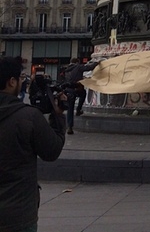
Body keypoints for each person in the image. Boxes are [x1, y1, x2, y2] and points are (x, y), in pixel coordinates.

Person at [0, 56, 66, 232]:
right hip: (18, 215)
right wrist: (58, 116)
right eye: (20, 78)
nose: (22, 82)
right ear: (11, 82)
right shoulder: (28, 117)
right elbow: (52, 151)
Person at [64, 58, 100, 135]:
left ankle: (70, 127)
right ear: (77, 62)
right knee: (83, 94)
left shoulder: (66, 70)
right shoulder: (78, 67)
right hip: (77, 89)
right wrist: (97, 63)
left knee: (70, 109)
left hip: (68, 90)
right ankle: (78, 110)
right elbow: (89, 68)